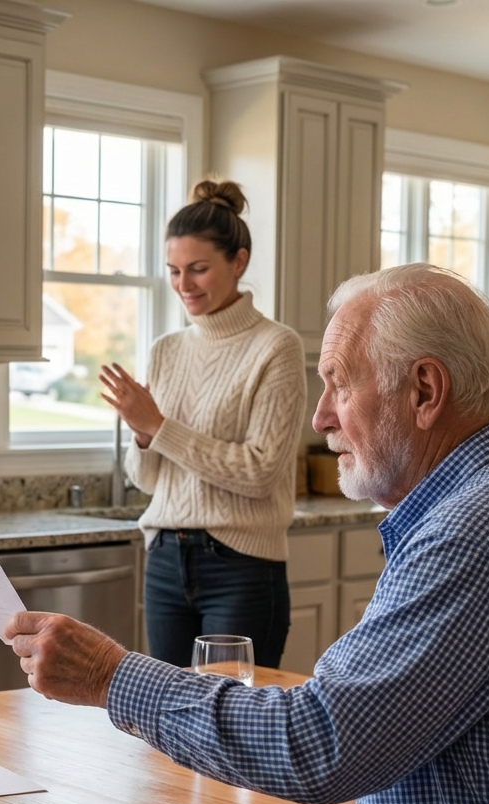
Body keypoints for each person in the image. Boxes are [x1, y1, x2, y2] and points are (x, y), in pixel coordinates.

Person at [8, 263, 489, 804]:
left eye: (338, 383)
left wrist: (112, 677)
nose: (322, 417)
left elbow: (321, 743)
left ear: (424, 392)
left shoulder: (473, 531)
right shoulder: (458, 512)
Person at [100, 179, 305, 669]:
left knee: (231, 722)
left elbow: (259, 473)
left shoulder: (276, 347)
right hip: (166, 558)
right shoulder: (166, 350)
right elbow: (147, 478)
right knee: (170, 721)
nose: (183, 285)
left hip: (242, 565)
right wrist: (145, 434)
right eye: (173, 271)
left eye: (198, 269)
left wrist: (161, 426)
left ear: (239, 262)